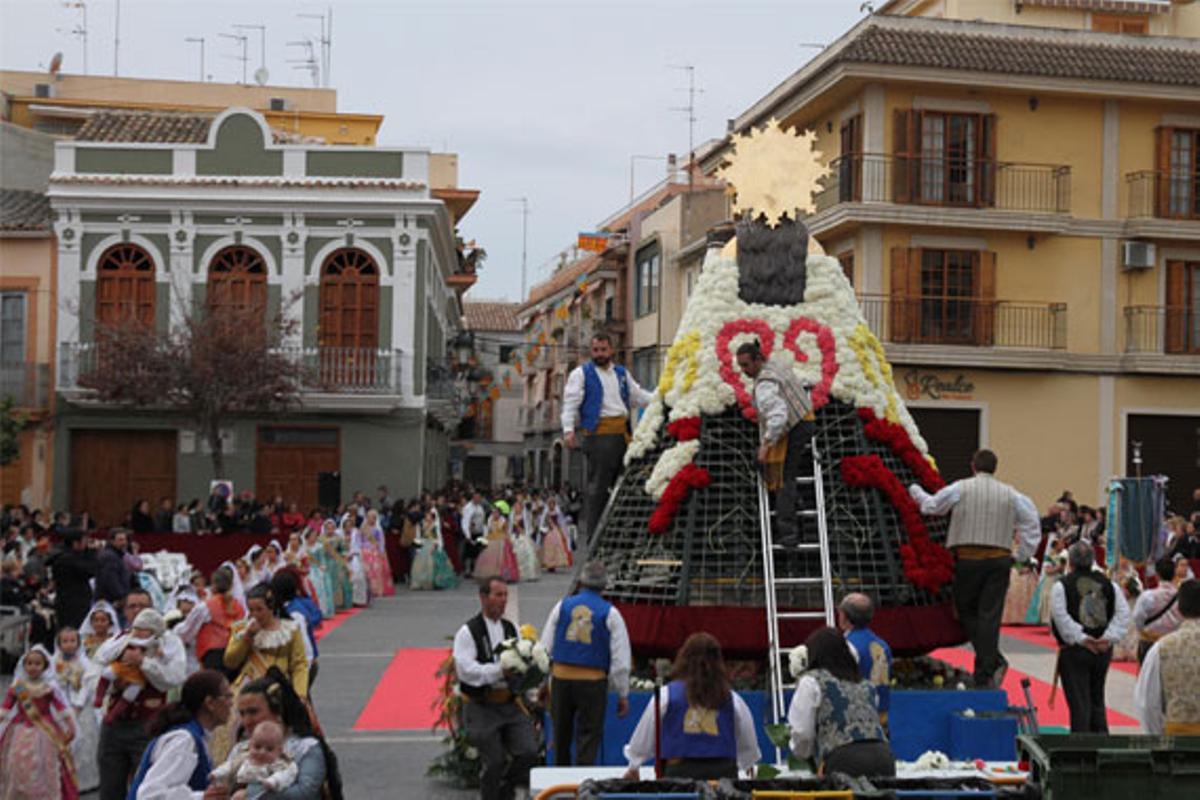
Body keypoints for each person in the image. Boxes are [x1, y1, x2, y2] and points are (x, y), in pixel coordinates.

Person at [909, 449, 1040, 688]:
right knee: (990, 615)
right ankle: (987, 669)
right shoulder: (1012, 495)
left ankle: (991, 665)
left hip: (968, 559)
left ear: (973, 466)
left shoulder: (961, 488)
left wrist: (914, 490)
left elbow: (930, 507)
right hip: (999, 559)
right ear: (995, 468)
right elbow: (1032, 526)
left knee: (964, 611)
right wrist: (1020, 556)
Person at [623, 632, 759, 780]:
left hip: (680, 776)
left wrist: (634, 765)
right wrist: (748, 763)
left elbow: (645, 733)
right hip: (722, 775)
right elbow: (747, 739)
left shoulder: (666, 695)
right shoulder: (732, 698)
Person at [453, 577, 538, 800]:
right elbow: (466, 671)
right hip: (481, 705)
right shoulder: (468, 631)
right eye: (498, 595)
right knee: (494, 761)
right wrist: (499, 671)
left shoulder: (511, 629)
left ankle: (505, 788)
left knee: (529, 751)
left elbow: (522, 659)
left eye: (505, 595)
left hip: (509, 702)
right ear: (483, 597)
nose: (503, 600)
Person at [539, 561, 631, 766]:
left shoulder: (562, 606)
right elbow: (620, 659)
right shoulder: (611, 613)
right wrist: (623, 693)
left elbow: (545, 648)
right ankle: (582, 787)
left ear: (581, 582)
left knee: (561, 737)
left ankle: (559, 785)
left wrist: (543, 682)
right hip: (593, 682)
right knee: (588, 738)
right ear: (604, 586)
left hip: (561, 679)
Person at [562, 332, 653, 538]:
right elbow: (570, 404)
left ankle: (624, 534)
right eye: (596, 350)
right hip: (598, 437)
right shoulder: (581, 374)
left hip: (623, 434)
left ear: (611, 350)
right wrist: (568, 430)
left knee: (629, 483)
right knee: (599, 489)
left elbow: (638, 396)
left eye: (603, 350)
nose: (600, 354)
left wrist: (664, 395)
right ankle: (595, 538)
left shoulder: (621, 373)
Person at [205, 670, 342, 800]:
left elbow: (305, 793)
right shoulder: (241, 748)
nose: (246, 721)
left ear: (277, 712)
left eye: (253, 712)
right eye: (242, 713)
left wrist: (251, 794)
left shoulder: (305, 747)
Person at [735, 340, 815, 547]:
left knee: (781, 476)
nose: (743, 371)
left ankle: (788, 534)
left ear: (757, 360)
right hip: (805, 418)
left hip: (793, 427)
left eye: (746, 365)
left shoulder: (764, 385)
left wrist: (766, 444)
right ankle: (796, 503)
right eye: (741, 366)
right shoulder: (776, 365)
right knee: (783, 470)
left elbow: (778, 416)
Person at [787, 627, 895, 778]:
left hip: (844, 761)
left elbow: (802, 734)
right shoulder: (866, 684)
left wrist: (805, 755)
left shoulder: (811, 681)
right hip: (884, 758)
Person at [1050, 542, 1130, 733]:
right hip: (1102, 650)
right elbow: (1123, 614)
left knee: (1080, 703)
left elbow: (1060, 617)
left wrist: (1082, 638)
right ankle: (1101, 740)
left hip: (1075, 651)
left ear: (1070, 561)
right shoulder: (1109, 584)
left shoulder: (1062, 585)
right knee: (1096, 700)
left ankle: (1082, 746)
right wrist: (1107, 638)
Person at [126, 669, 233, 800]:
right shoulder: (183, 740)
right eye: (228, 697)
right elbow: (150, 795)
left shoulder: (195, 737)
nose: (232, 703)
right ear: (210, 703)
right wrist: (201, 797)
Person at [0, 645, 78, 799]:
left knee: (45, 767)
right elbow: (5, 708)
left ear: (45, 666)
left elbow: (61, 708)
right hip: (19, 731)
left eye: (37, 664)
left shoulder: (49, 688)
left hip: (46, 732)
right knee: (16, 766)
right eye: (29, 663)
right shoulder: (17, 687)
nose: (33, 667)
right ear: (23, 666)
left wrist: (71, 727)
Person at [1134, 579, 1200, 735]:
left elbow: (1147, 703)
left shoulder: (1163, 647)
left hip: (1178, 740)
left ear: (1178, 609)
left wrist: (1158, 738)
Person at [54, 626, 101, 792]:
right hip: (58, 704)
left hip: (78, 705)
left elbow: (88, 685)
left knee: (81, 740)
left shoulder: (85, 663)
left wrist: (79, 703)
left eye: (72, 641)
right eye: (64, 641)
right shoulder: (53, 662)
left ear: (78, 642)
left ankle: (83, 780)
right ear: (59, 644)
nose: (69, 645)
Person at [837, 593, 892, 721]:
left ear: (844, 616)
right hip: (880, 716)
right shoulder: (883, 645)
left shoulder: (846, 646)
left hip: (855, 717)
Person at [208, 719, 298, 797]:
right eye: (257, 747)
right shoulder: (244, 757)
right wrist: (217, 773)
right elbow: (229, 766)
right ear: (250, 745)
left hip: (264, 790)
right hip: (240, 785)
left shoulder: (278, 764)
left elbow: (285, 775)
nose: (262, 752)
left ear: (279, 751)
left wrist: (273, 781)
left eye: (269, 749)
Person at [191, 566, 247, 674]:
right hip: (234, 654)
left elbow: (188, 629)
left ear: (213, 585)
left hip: (212, 655)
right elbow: (240, 633)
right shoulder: (240, 607)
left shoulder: (206, 606)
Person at [1134, 556, 1184, 663]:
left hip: (1150, 642)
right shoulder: (1182, 597)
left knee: (1147, 677)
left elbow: (1138, 618)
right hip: (1174, 643)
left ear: (1157, 575)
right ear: (1174, 574)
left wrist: (1144, 631)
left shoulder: (1148, 596)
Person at [48, 530, 97, 631]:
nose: (87, 543)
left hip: (70, 601)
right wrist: (92, 553)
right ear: (75, 543)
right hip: (73, 603)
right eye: (84, 541)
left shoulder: (65, 556)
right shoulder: (69, 559)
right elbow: (91, 570)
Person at [95, 529, 135, 621]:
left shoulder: (118, 555)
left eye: (125, 539)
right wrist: (122, 597)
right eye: (120, 540)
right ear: (112, 541)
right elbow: (111, 580)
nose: (124, 542)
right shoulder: (109, 557)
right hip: (113, 601)